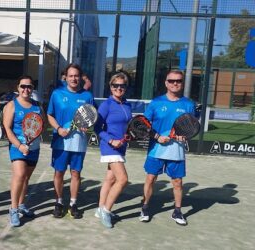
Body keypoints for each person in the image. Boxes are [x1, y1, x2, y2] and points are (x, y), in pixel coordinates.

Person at [139, 70, 195, 226]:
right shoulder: (156, 103)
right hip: (156, 149)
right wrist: (157, 137)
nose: (175, 83)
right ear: (166, 83)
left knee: (177, 182)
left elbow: (191, 128)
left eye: (178, 81)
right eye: (171, 81)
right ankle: (145, 207)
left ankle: (177, 211)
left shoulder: (189, 104)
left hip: (176, 151)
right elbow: (143, 124)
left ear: (182, 83)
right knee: (150, 179)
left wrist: (185, 136)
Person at [47, 63, 95, 219]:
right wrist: (59, 129)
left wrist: (86, 127)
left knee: (75, 173)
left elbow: (90, 118)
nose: (74, 78)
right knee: (59, 172)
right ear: (65, 77)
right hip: (60, 142)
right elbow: (50, 115)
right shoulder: (57, 94)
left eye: (76, 75)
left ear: (80, 77)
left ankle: (73, 204)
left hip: (79, 143)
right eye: (71, 75)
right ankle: (59, 202)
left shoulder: (87, 96)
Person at [2, 76, 44, 227]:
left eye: (29, 87)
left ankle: (21, 205)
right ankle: (13, 209)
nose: (26, 89)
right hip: (17, 147)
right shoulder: (11, 105)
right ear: (18, 87)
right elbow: (7, 128)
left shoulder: (37, 106)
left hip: (34, 148)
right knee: (19, 175)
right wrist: (20, 145)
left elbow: (40, 125)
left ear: (32, 89)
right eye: (23, 86)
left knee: (26, 178)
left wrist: (34, 139)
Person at [94, 72, 132, 228]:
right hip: (109, 146)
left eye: (122, 85)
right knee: (123, 179)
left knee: (110, 179)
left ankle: (100, 208)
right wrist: (110, 140)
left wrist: (127, 136)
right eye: (115, 85)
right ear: (110, 87)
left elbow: (127, 125)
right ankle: (106, 211)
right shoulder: (106, 105)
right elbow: (97, 128)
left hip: (121, 146)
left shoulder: (127, 104)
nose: (118, 88)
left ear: (125, 87)